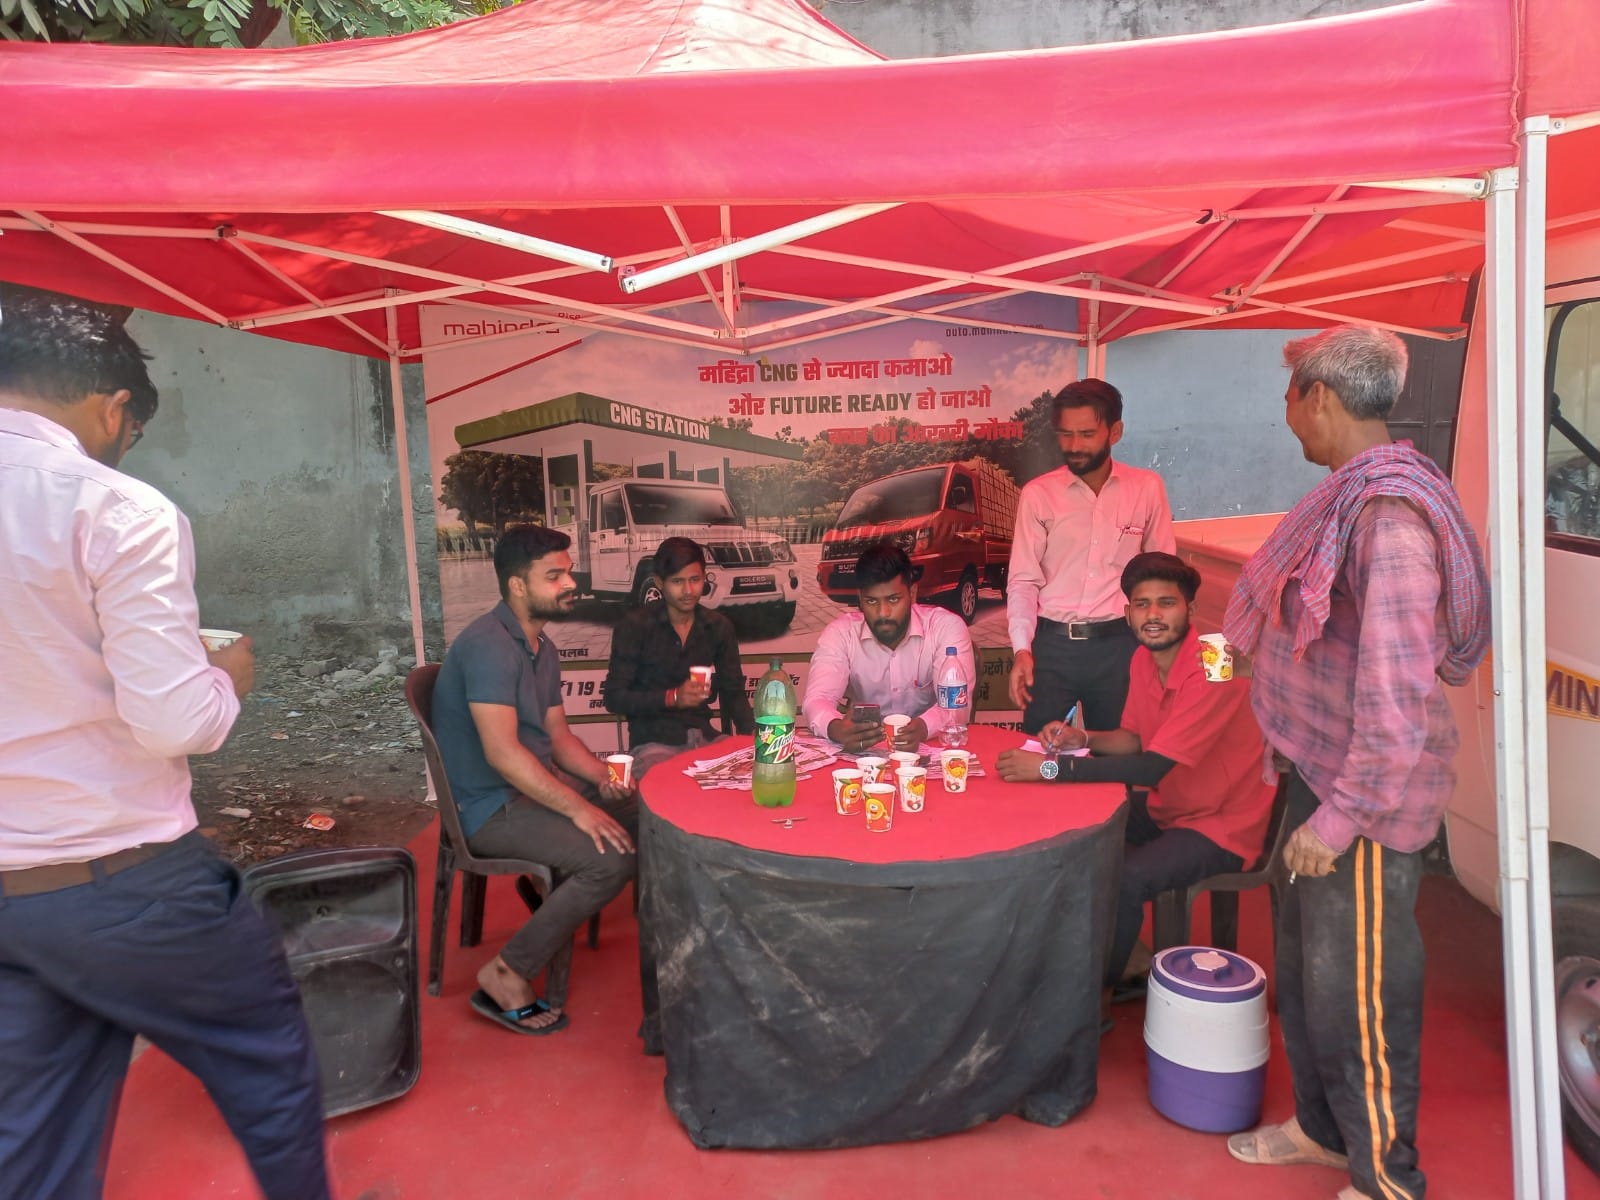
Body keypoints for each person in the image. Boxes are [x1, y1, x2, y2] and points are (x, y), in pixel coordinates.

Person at [0, 292, 329, 1200]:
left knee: (33, 1134)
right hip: (126, 881)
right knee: (267, 1060)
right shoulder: (115, 509)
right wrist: (228, 676)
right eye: (131, 432)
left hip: (9, 894)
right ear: (114, 407)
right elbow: (175, 722)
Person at [1221, 326, 1490, 1200]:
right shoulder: (1349, 498)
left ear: (1321, 400)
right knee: (1307, 973)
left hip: (1364, 802)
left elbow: (1397, 694)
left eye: (1291, 399)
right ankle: (1325, 1132)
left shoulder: (1389, 518)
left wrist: (1340, 819)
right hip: (1318, 770)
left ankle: (1388, 1179)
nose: (1289, 418)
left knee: (1362, 990)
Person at [996, 552, 1277, 994]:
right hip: (1175, 807)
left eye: (1166, 603)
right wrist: (1080, 739)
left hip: (1221, 824)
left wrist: (1050, 767)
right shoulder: (1142, 660)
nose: (1153, 615)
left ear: (1191, 610)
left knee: (1128, 877)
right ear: (1127, 613)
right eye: (1142, 604)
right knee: (1082, 835)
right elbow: (1135, 739)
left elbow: (1153, 767)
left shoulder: (1215, 662)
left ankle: (1093, 999)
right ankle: (1125, 957)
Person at [431, 524, 638, 1036]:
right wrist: (578, 807)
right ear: (518, 586)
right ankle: (506, 971)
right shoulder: (488, 646)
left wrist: (606, 779)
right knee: (610, 860)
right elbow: (502, 755)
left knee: (645, 814)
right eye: (555, 576)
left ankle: (667, 937)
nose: (571, 583)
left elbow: (558, 737)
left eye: (568, 572)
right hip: (488, 807)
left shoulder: (539, 647)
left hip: (527, 790)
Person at [1007, 378, 1176, 734]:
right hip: (1051, 650)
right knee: (1043, 759)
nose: (1073, 446)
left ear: (1115, 431)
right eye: (1066, 434)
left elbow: (1164, 578)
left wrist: (1162, 650)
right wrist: (1022, 649)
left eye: (1086, 434)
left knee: (1121, 754)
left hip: (1122, 648)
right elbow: (1023, 581)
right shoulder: (1039, 495)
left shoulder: (1146, 489)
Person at [801, 541, 975, 754]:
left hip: (931, 748)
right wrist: (837, 728)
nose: (883, 613)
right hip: (866, 755)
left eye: (893, 599)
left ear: (912, 593)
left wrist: (922, 728)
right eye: (872, 601)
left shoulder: (945, 628)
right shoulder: (841, 633)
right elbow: (817, 699)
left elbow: (957, 707)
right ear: (860, 599)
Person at [604, 536, 754, 777]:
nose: (688, 590)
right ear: (659, 583)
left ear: (704, 578)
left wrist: (754, 740)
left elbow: (733, 691)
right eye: (677, 581)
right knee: (668, 785)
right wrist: (672, 698)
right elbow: (614, 698)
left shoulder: (718, 626)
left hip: (705, 737)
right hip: (653, 744)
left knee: (749, 776)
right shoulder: (634, 626)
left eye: (695, 580)